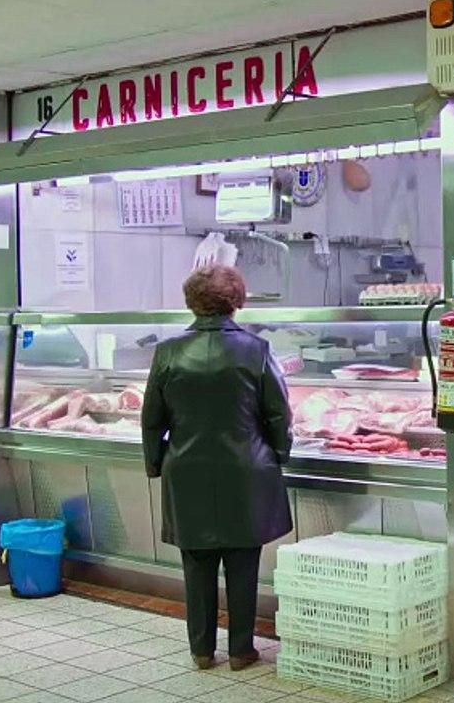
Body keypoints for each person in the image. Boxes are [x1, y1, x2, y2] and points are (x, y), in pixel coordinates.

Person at [141, 265, 293, 671]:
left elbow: (152, 419)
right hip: (246, 471)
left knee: (197, 563)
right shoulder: (257, 350)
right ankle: (242, 649)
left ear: (191, 300)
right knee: (244, 562)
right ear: (236, 301)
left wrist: (155, 464)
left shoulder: (167, 352)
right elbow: (278, 414)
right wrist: (281, 454)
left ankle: (202, 651)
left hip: (186, 469)